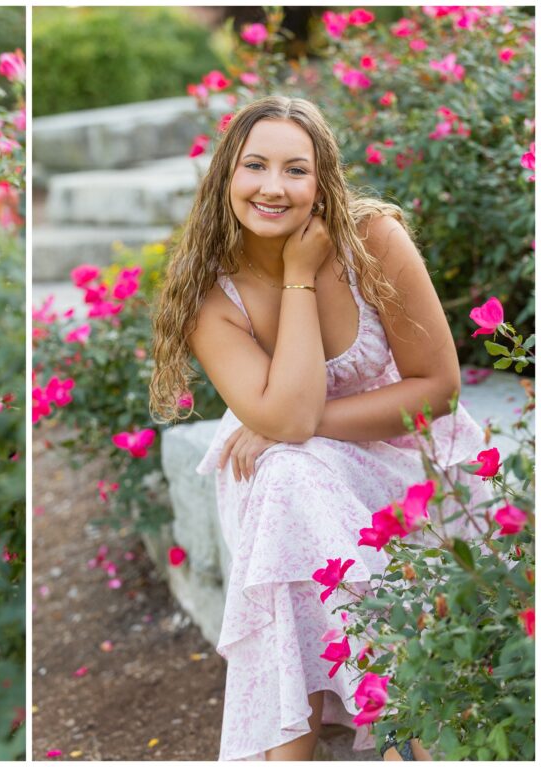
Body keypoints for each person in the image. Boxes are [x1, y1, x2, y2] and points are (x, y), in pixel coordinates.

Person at [150, 96, 488, 761]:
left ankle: (307, 746)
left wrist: (291, 427)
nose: (273, 187)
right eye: (255, 166)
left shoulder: (373, 240)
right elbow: (289, 419)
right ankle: (400, 730)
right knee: (289, 478)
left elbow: (438, 388)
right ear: (225, 176)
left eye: (295, 170)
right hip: (283, 475)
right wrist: (299, 279)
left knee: (288, 470)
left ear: (322, 178)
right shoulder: (210, 295)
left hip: (402, 458)